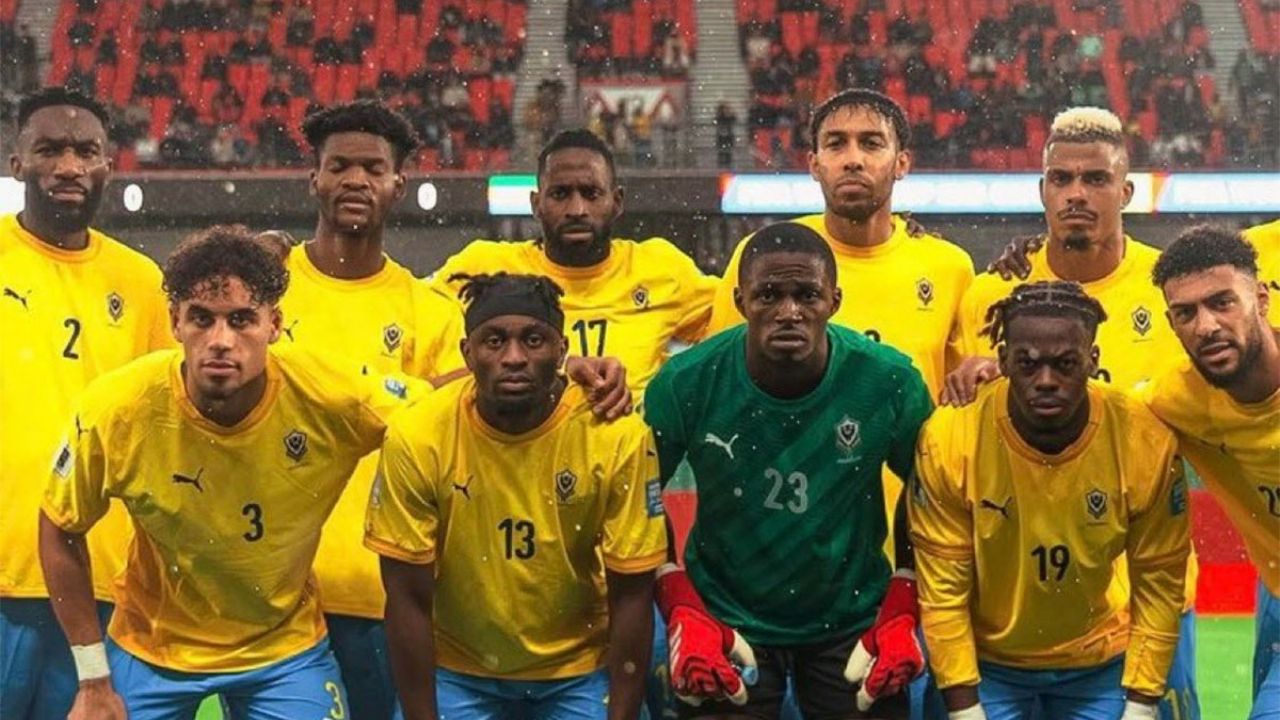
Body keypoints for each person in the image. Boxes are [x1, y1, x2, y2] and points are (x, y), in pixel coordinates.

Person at [280, 100, 635, 720]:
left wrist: (567, 366)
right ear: (314, 180)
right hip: (277, 595)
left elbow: (490, 386)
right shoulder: (263, 290)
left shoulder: (431, 311)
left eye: (373, 168)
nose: (356, 180)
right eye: (339, 167)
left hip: (382, 589)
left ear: (398, 184)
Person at [38, 225, 420, 720]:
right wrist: (92, 680)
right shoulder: (117, 409)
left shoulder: (331, 395)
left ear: (274, 324)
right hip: (152, 648)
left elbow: (436, 416)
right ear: (175, 322)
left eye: (241, 320)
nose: (221, 341)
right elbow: (59, 528)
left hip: (282, 649)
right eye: (202, 318)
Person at [943, 106, 1199, 720]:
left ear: (1126, 192)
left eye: (1096, 179)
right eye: (1061, 179)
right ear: (1042, 191)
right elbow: (962, 437)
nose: (1076, 194)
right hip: (1015, 609)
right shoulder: (991, 295)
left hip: (1147, 598)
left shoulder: (1171, 292)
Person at [645, 222, 935, 718]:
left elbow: (930, 492)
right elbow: (638, 496)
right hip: (726, 618)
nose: (788, 312)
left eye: (807, 295)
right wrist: (679, 598)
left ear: (835, 300)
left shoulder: (887, 381)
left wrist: (904, 594)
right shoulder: (685, 382)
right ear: (739, 301)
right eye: (769, 296)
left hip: (851, 621)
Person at [368, 272, 667, 720]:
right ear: (467, 353)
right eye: (494, 341)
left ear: (563, 352)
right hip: (458, 671)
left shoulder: (615, 435)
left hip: (579, 671)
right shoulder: (418, 435)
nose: (513, 358)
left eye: (533, 340)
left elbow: (632, 595)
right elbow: (407, 598)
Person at [707, 87, 974, 569]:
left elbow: (962, 409)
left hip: (916, 551)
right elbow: (725, 400)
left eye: (871, 143)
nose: (853, 159)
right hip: (789, 550)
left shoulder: (948, 268)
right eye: (836, 144)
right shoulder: (766, 258)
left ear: (902, 162)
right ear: (813, 163)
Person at [910, 281, 1190, 720]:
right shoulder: (950, 437)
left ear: (1093, 361)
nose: (1045, 381)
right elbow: (943, 591)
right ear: (1003, 360)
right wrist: (964, 709)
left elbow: (1159, 584)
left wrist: (1141, 703)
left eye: (1065, 364)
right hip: (987, 665)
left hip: (1103, 661)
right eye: (1027, 363)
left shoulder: (1143, 440)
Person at [1, 87, 172, 720]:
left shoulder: (141, 283)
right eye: (49, 150)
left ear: (108, 165)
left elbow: (165, 425)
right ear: (17, 162)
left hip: (98, 579)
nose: (69, 166)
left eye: (85, 151)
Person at [427, 128, 717, 395]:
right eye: (560, 194)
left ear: (617, 202)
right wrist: (552, 376)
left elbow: (736, 340)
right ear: (536, 204)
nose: (577, 209)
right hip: (518, 435)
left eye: (591, 194)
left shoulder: (661, 268)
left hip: (633, 436)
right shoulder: (484, 266)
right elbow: (415, 366)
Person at [1143, 226, 1280, 720]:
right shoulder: (1172, 401)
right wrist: (991, 372)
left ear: (1260, 299)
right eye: (1186, 313)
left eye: (1222, 303)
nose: (1206, 326)